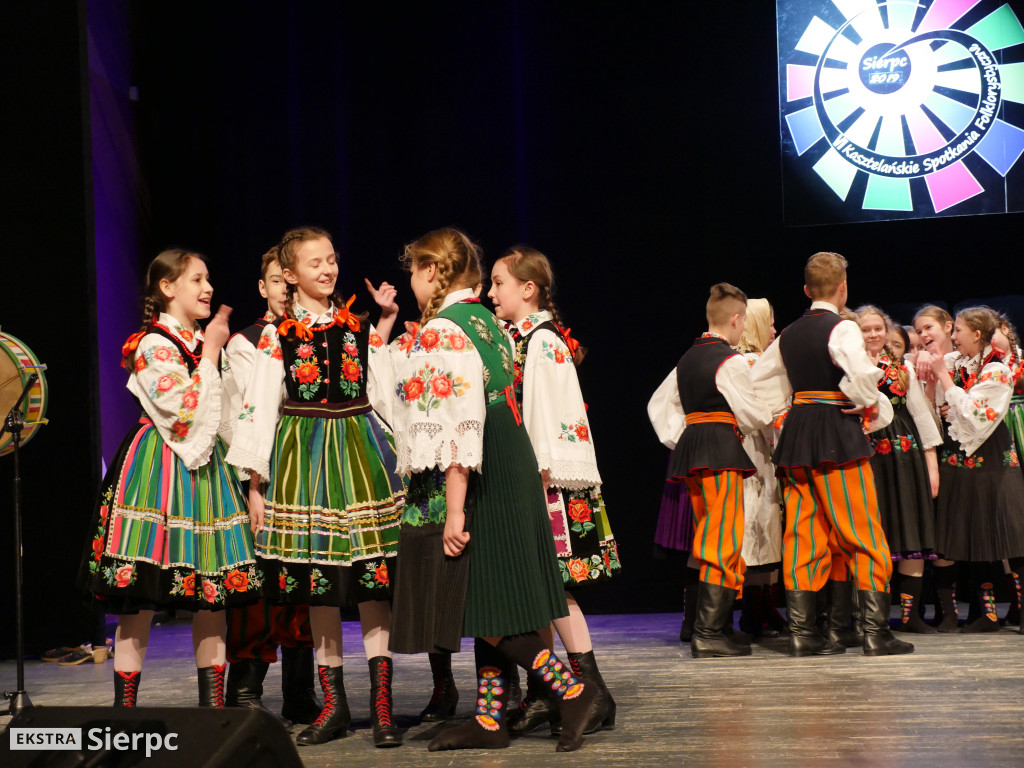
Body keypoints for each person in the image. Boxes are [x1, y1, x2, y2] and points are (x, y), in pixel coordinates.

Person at [389, 227, 605, 753]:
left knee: (478, 600)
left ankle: (572, 691)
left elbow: (458, 425)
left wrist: (455, 511)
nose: (412, 283)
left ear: (434, 272)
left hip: (482, 471)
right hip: (510, 462)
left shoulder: (443, 330)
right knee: (490, 598)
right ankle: (489, 719)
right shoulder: (488, 320)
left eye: (415, 271)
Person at [226, 227, 407, 747]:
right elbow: (258, 410)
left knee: (373, 585)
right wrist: (255, 485)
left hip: (362, 456)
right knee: (322, 587)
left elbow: (387, 400)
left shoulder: (361, 330)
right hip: (303, 463)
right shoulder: (275, 335)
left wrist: (407, 462)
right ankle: (334, 707)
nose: (327, 270)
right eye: (314, 263)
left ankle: (383, 708)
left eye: (331, 260)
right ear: (290, 275)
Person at [85, 249, 259, 708]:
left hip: (207, 474)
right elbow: (182, 416)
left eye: (208, 279)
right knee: (140, 597)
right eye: (197, 279)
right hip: (159, 470)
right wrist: (214, 352)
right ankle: (125, 715)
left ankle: (213, 712)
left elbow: (225, 414)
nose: (208, 289)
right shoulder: (152, 344)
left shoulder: (202, 343)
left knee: (212, 596)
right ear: (168, 287)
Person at [750, 251, 912, 657]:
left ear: (806, 290)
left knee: (804, 534)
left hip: (799, 433)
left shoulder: (788, 334)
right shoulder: (841, 329)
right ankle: (876, 633)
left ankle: (804, 634)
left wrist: (783, 411)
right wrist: (867, 403)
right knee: (863, 532)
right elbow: (861, 377)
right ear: (843, 289)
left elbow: (757, 383)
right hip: (836, 433)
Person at [487, 245, 618, 736]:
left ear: (529, 289)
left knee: (555, 587)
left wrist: (538, 477)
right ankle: (548, 693)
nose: (491, 292)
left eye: (499, 283)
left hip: (550, 481)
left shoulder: (543, 341)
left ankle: (594, 691)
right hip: (534, 479)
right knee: (541, 592)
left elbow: (553, 414)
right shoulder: (517, 340)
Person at [219, 248, 319, 724]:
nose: (285, 288)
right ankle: (245, 690)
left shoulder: (317, 334)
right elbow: (257, 411)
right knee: (258, 587)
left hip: (306, 475)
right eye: (276, 281)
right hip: (262, 471)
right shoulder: (248, 342)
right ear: (264, 287)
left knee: (300, 583)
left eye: (289, 279)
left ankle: (300, 692)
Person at [649, 283, 772, 658]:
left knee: (711, 534)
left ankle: (716, 626)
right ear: (736, 319)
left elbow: (658, 405)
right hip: (719, 450)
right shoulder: (728, 360)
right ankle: (707, 633)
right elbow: (753, 413)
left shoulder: (687, 357)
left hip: (695, 451)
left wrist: (682, 436)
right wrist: (765, 416)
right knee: (723, 537)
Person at [924, 307, 1024, 633]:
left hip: (992, 461)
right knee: (976, 538)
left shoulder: (998, 371)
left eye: (960, 331)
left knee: (1011, 536)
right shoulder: (960, 364)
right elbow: (940, 397)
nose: (954, 337)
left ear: (977, 334)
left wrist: (942, 378)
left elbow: (977, 415)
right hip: (962, 460)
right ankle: (989, 615)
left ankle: (1020, 612)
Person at [856, 306, 942, 634]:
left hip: (904, 454)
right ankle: (868, 616)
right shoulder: (850, 367)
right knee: (873, 531)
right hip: (866, 454)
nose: (874, 334)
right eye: (867, 330)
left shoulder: (900, 366)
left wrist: (932, 466)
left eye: (878, 328)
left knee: (910, 527)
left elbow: (921, 414)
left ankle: (909, 615)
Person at [733, 298, 787, 639]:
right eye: (767, 324)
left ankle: (763, 609)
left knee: (761, 531)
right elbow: (770, 415)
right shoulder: (753, 363)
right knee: (755, 531)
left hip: (754, 454)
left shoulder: (737, 360)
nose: (773, 330)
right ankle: (754, 613)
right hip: (754, 454)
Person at [913, 305, 959, 629]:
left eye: (928, 327)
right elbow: (926, 417)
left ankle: (980, 608)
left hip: (967, 449)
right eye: (918, 331)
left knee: (962, 532)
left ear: (948, 326)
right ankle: (947, 609)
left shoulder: (961, 362)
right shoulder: (920, 365)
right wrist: (928, 386)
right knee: (942, 533)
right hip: (938, 451)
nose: (924, 335)